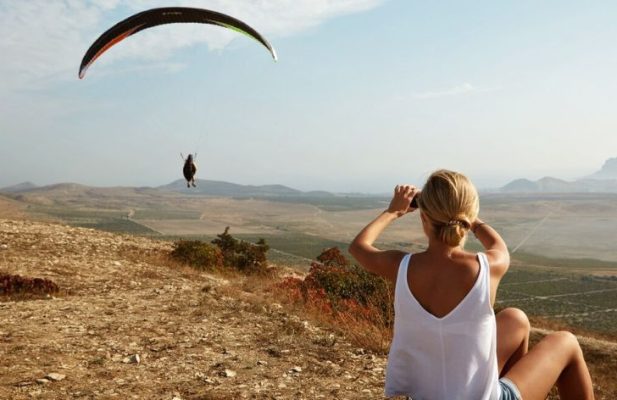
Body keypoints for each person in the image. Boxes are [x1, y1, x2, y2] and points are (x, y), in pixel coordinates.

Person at [348, 169, 594, 400]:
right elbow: (499, 246)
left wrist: (393, 211)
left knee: (515, 319)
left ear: (423, 218)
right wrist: (472, 219)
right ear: (468, 217)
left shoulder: (400, 265)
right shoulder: (489, 266)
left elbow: (358, 247)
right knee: (566, 342)